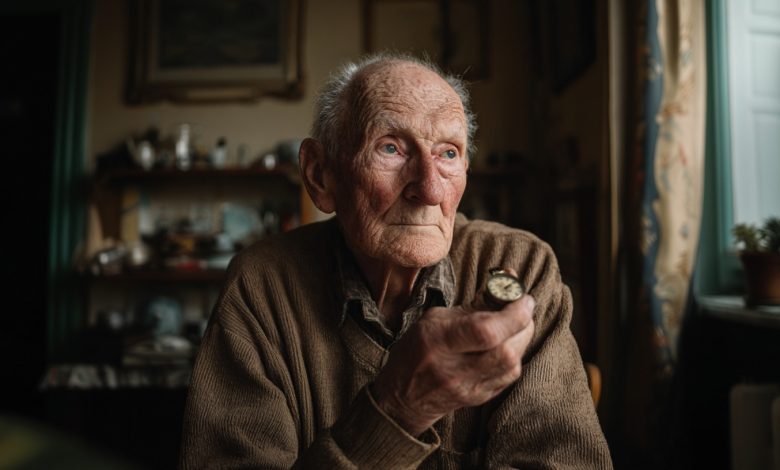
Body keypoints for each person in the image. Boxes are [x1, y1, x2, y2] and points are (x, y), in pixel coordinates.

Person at [179, 53, 612, 469]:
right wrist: (398, 409)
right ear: (320, 175)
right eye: (391, 148)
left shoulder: (521, 265)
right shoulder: (262, 286)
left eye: (448, 153)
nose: (430, 189)